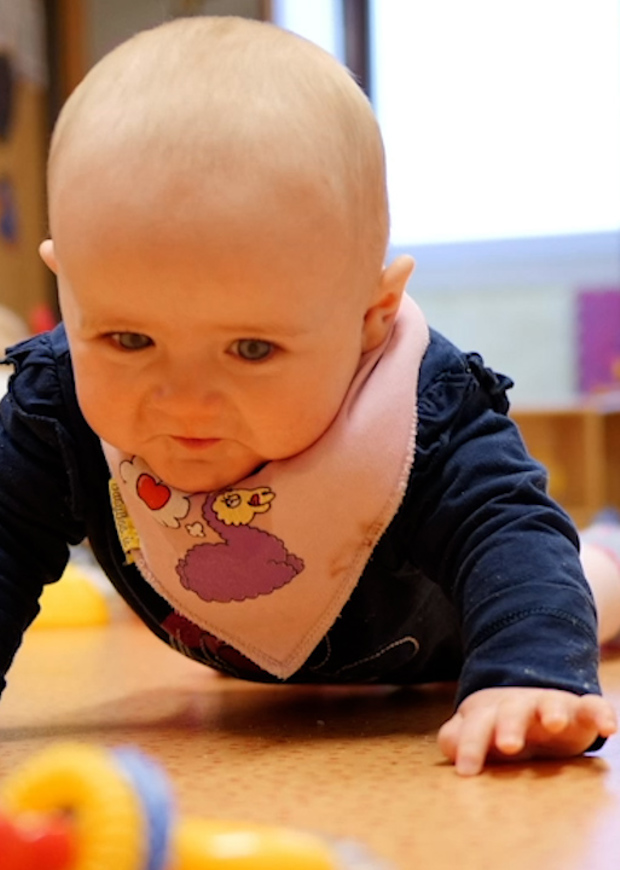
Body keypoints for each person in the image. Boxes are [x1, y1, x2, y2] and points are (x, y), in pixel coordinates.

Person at [0, 16, 618, 777]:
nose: (185, 402)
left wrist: (529, 679)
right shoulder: (54, 405)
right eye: (129, 340)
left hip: (450, 624)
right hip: (241, 647)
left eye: (251, 350)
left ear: (371, 319)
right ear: (70, 287)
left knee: (584, 581)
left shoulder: (420, 407)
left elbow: (506, 531)